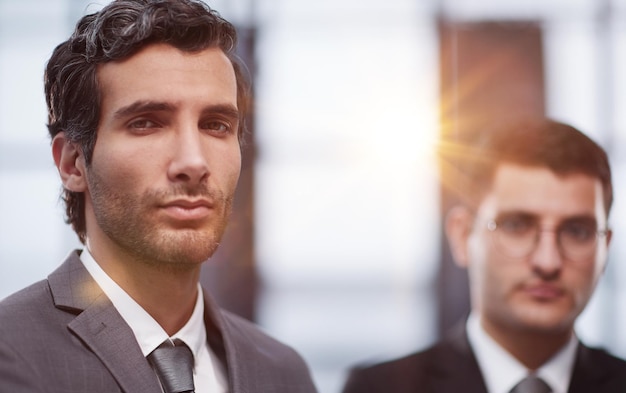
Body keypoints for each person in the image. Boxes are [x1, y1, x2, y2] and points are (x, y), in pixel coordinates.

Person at [0, 1, 317, 392]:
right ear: (73, 164)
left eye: (216, 125)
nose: (193, 162)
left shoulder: (283, 373)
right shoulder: (10, 354)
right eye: (147, 123)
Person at [342, 118, 626, 393]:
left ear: (605, 247)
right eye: (517, 226)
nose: (547, 261)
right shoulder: (380, 389)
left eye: (577, 232)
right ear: (462, 235)